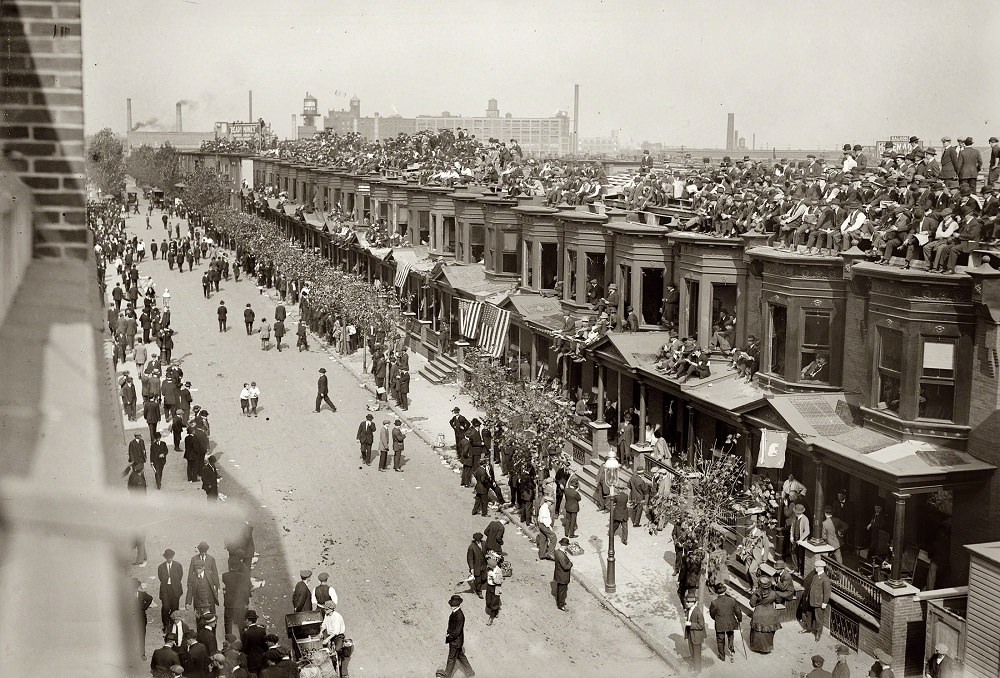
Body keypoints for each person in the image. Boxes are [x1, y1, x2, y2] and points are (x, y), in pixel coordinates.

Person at [708, 583, 742, 663]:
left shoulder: (714, 602)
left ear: (717, 593)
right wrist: (739, 619)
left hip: (720, 623)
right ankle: (731, 651)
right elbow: (738, 611)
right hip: (731, 622)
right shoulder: (732, 600)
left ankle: (722, 656)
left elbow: (712, 614)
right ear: (725, 591)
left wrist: (717, 619)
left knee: (720, 639)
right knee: (730, 636)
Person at [800, 559, 832, 641]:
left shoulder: (825, 579)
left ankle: (818, 633)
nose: (815, 568)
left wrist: (824, 603)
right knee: (808, 615)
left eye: (816, 567)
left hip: (819, 603)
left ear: (821, 568)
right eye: (815, 566)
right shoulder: (815, 576)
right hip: (811, 600)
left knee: (818, 618)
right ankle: (808, 628)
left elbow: (827, 592)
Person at [443, 594, 474, 678]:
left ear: (457, 605)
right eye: (452, 605)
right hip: (457, 641)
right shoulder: (455, 613)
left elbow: (457, 631)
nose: (451, 606)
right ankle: (470, 672)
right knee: (460, 656)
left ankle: (446, 675)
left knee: (451, 658)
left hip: (455, 640)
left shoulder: (460, 615)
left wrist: (449, 636)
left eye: (453, 605)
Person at [748, 574, 781, 654]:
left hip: (759, 613)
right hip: (770, 613)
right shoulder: (774, 593)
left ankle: (757, 647)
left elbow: (752, 604)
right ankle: (767, 648)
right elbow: (778, 601)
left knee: (757, 632)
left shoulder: (757, 593)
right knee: (769, 633)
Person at [222, 563, 251, 638]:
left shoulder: (225, 575)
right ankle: (243, 639)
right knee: (241, 623)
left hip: (229, 602)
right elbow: (245, 590)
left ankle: (229, 639)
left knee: (228, 622)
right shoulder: (242, 576)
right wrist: (246, 601)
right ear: (238, 567)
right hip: (239, 602)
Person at [158, 549, 184, 633]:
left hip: (175, 590)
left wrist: (174, 583)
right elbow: (161, 578)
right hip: (165, 589)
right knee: (165, 607)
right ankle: (166, 625)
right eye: (168, 558)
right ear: (165, 558)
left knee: (174, 607)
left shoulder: (178, 565)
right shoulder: (161, 567)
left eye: (170, 558)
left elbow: (180, 576)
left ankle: (173, 625)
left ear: (172, 557)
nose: (169, 559)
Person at [683, 590, 706, 673]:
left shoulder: (698, 612)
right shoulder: (689, 610)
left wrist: (690, 624)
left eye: (689, 602)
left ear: (694, 602)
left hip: (696, 636)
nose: (687, 603)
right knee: (692, 653)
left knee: (697, 654)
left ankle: (698, 670)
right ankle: (693, 667)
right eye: (687, 602)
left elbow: (701, 625)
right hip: (690, 635)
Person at [133, 577, 154, 658]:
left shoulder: (142, 594)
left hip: (141, 619)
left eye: (135, 587)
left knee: (141, 636)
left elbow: (150, 598)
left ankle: (142, 654)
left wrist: (144, 607)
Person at [554, 537, 573, 611]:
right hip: (563, 576)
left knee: (560, 589)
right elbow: (565, 567)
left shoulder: (557, 552)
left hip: (559, 574)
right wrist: (570, 564)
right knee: (562, 590)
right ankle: (561, 604)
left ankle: (559, 601)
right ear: (565, 545)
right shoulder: (561, 555)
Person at [484, 551, 503, 626]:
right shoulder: (489, 568)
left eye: (490, 566)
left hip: (495, 587)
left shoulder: (498, 571)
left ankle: (491, 618)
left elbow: (499, 581)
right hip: (489, 586)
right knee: (488, 602)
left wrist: (493, 577)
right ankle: (496, 609)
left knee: (493, 603)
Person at [466, 533, 486, 599]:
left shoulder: (484, 543)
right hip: (476, 566)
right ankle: (479, 591)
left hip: (484, 565)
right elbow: (470, 558)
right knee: (478, 580)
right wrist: (471, 568)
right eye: (477, 540)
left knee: (484, 578)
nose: (478, 541)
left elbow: (487, 551)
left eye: (479, 540)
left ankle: (477, 583)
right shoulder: (471, 547)